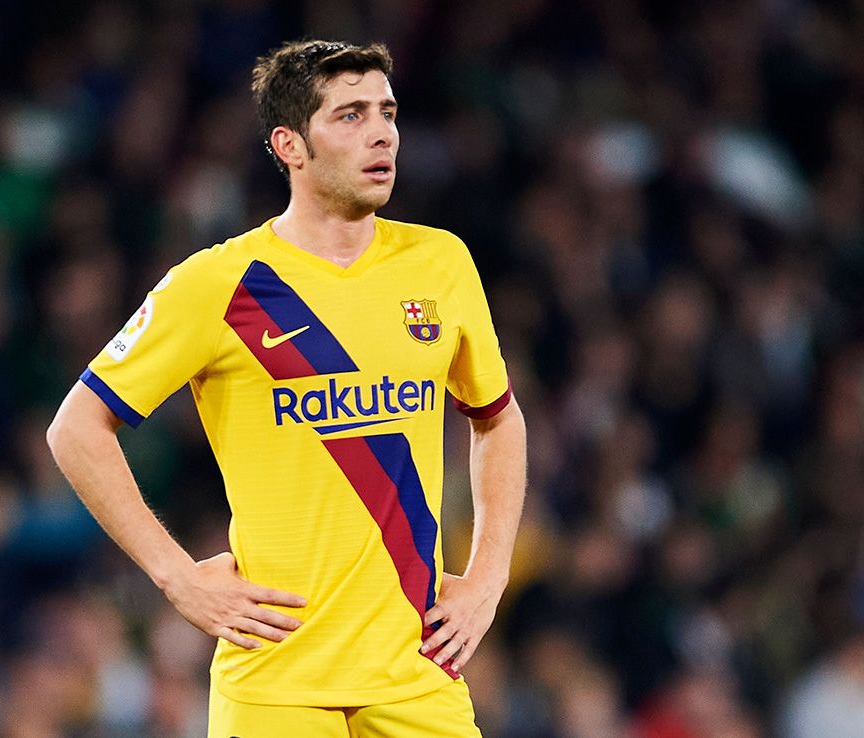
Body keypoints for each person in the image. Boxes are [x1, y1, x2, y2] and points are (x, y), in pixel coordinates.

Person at [46, 39, 526, 737]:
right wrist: (175, 576)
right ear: (290, 145)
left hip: (415, 670)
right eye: (351, 116)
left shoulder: (440, 262)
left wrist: (487, 577)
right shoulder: (219, 284)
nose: (382, 133)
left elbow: (498, 419)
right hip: (276, 684)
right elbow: (76, 429)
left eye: (388, 113)